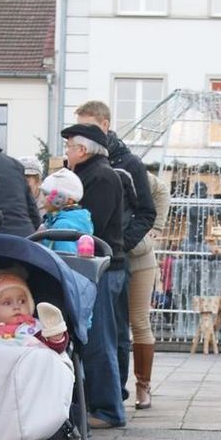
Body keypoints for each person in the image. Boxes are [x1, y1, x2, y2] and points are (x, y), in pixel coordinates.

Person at [74, 101, 157, 406]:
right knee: (104, 327)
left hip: (129, 254)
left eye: (90, 127)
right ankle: (109, 392)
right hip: (96, 255)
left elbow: (147, 211)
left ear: (105, 125)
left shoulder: (127, 162)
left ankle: (137, 387)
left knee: (131, 323)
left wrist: (122, 241)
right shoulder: (81, 163)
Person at [62, 122, 125, 428]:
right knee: (96, 338)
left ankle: (108, 410)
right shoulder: (94, 174)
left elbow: (89, 228)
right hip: (98, 267)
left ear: (83, 149)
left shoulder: (98, 177)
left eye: (69, 147)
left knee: (99, 339)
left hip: (99, 268)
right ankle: (100, 406)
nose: (67, 152)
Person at [127, 170, 170, 409]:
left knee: (139, 321)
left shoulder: (129, 165)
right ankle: (113, 386)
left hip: (139, 255)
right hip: (109, 253)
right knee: (112, 325)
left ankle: (143, 386)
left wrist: (156, 229)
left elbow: (162, 190)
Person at [0, 268, 68, 353]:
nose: (16, 307)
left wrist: (55, 336)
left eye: (22, 301)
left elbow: (55, 350)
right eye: (7, 303)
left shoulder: (36, 329)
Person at [38, 168, 93, 254]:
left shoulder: (64, 226)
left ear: (68, 200)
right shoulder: (53, 221)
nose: (43, 200)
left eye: (47, 195)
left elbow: (67, 260)